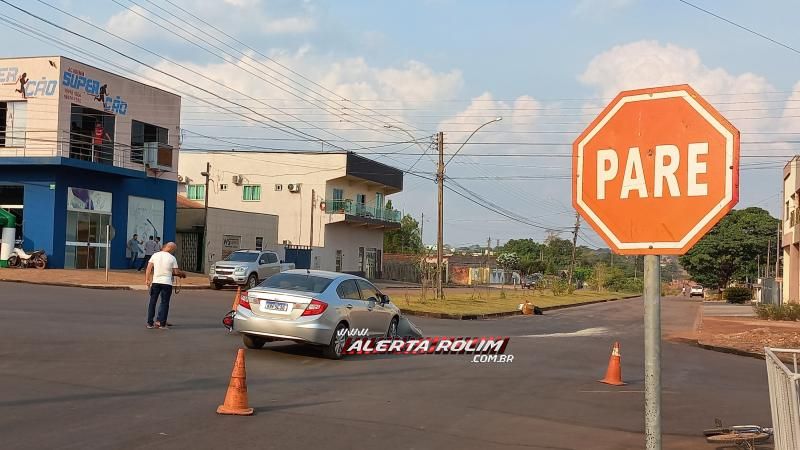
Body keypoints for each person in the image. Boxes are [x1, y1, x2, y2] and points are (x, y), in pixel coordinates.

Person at [144, 242, 186, 329]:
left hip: (156, 282)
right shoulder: (172, 258)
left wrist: (147, 279)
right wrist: (182, 274)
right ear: (171, 249)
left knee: (152, 302)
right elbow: (176, 272)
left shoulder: (155, 255)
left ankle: (150, 323)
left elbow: (149, 268)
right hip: (167, 283)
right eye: (174, 249)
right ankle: (162, 324)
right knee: (164, 303)